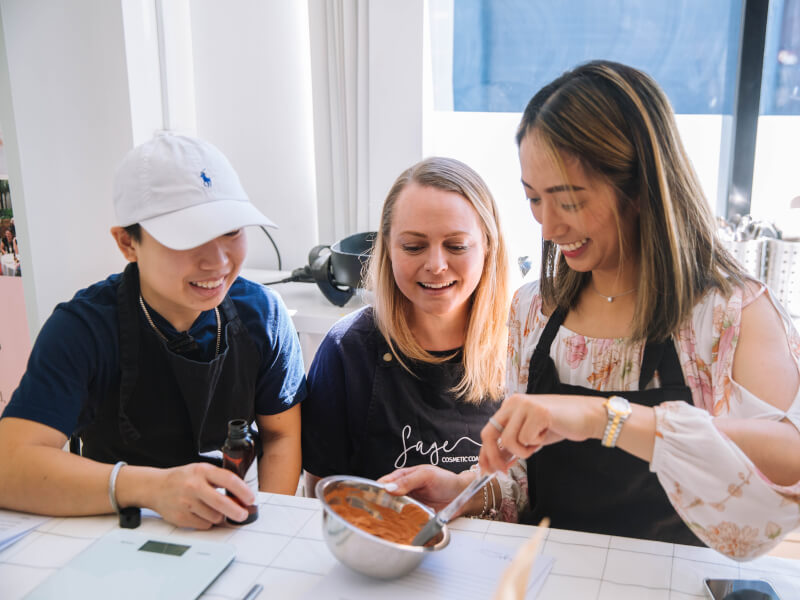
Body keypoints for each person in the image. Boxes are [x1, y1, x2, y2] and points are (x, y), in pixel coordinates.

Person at [380, 61, 800, 559]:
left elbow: (789, 465)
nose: (549, 227)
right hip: (550, 578)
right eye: (534, 199)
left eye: (569, 201)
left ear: (640, 186)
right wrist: (464, 490)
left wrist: (606, 418)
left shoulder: (730, 314)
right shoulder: (534, 311)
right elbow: (522, 482)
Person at [0, 132, 306, 529]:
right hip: (114, 520)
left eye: (231, 231)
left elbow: (280, 436)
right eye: (189, 237)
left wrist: (260, 523)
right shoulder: (83, 328)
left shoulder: (263, 315)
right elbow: (9, 463)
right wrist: (150, 488)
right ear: (128, 243)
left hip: (229, 522)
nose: (217, 262)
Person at [302, 157, 510, 496]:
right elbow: (321, 495)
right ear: (387, 247)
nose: (436, 265)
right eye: (413, 246)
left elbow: (535, 490)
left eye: (456, 246)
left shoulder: (523, 345)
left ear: (488, 244)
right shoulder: (347, 351)